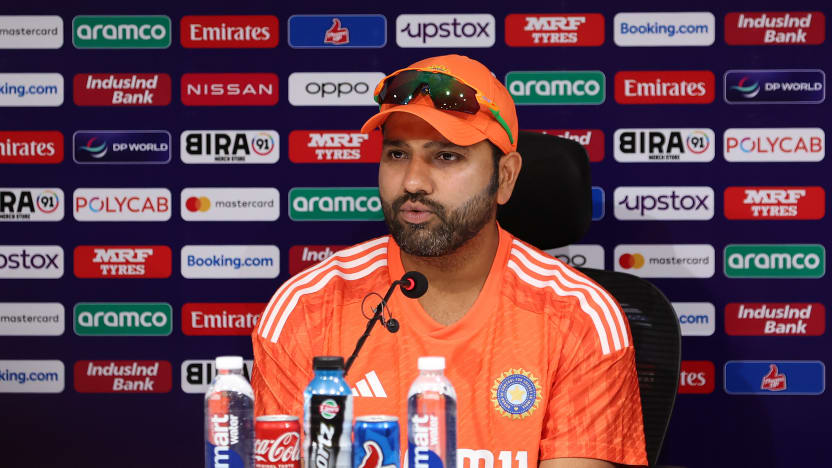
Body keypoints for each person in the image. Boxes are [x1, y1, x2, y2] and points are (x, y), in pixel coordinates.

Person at [251, 54, 647, 468]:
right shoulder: (307, 308)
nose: (413, 182)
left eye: (446, 156)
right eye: (397, 154)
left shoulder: (578, 316)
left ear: (506, 176)